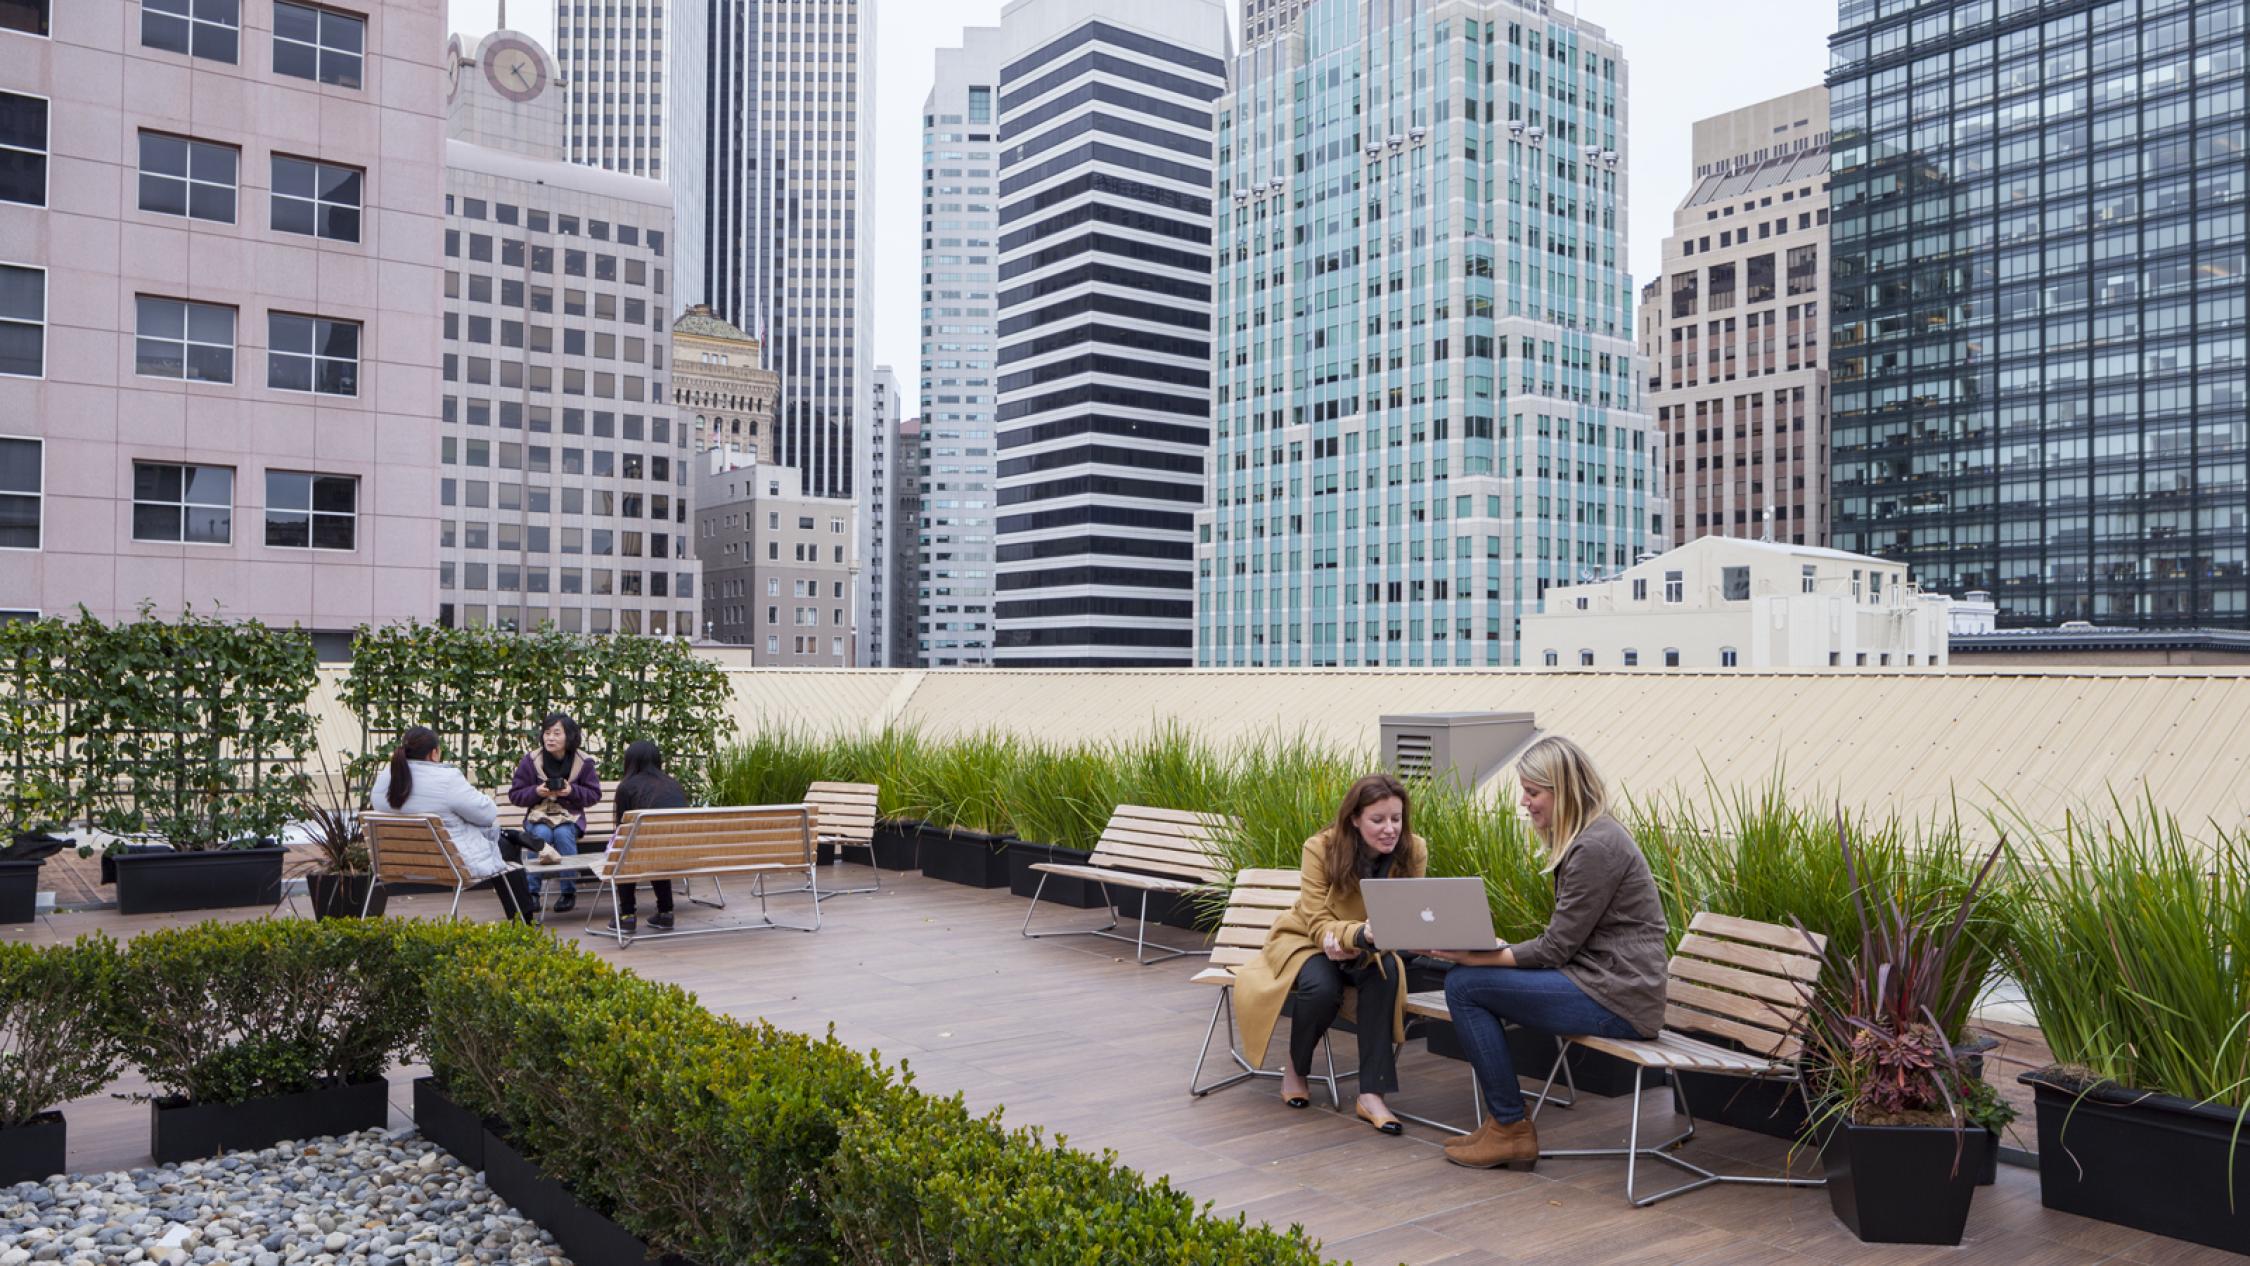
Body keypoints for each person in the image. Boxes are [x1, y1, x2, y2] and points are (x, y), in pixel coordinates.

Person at [1429, 736, 1669, 1170]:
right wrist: (1490, 952)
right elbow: (1566, 941)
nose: (1525, 802)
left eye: (1533, 792)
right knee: (1467, 981)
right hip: (1604, 983)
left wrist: (1474, 958)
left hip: (1618, 998)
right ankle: (1505, 1123)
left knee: (1464, 985)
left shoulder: (1595, 846)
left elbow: (1556, 948)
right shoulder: (1593, 836)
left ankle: (1510, 1128)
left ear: (1564, 790)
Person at [1230, 773, 1448, 1135]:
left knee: (1386, 975)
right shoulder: (1321, 848)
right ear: (1355, 818)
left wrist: (1396, 936)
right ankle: (1297, 1067)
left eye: (1396, 818)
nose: (1390, 829)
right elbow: (1316, 919)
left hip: (1372, 944)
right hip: (1307, 940)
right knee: (1321, 986)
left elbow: (1405, 915)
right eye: (1378, 820)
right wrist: (1357, 933)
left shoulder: (1414, 850)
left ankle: (1371, 1094)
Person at [368, 725, 536, 922]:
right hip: (448, 863)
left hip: (395, 863)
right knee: (506, 848)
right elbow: (487, 814)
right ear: (434, 753)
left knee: (494, 839)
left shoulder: (384, 777)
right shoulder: (447, 779)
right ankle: (525, 923)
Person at [507, 712, 602, 915]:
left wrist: (572, 791)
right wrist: (536, 792)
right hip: (538, 815)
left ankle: (568, 891)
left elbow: (594, 795)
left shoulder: (583, 762)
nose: (550, 738)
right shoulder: (531, 761)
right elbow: (515, 795)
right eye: (547, 733)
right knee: (541, 834)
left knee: (562, 834)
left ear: (569, 736)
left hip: (569, 816)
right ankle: (532, 892)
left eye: (556, 733)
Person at [607, 739, 685, 933]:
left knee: (626, 851)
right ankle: (666, 913)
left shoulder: (627, 787)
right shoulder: (673, 784)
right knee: (655, 849)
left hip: (648, 852)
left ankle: (627, 916)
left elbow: (621, 831)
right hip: (681, 853)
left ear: (630, 761)